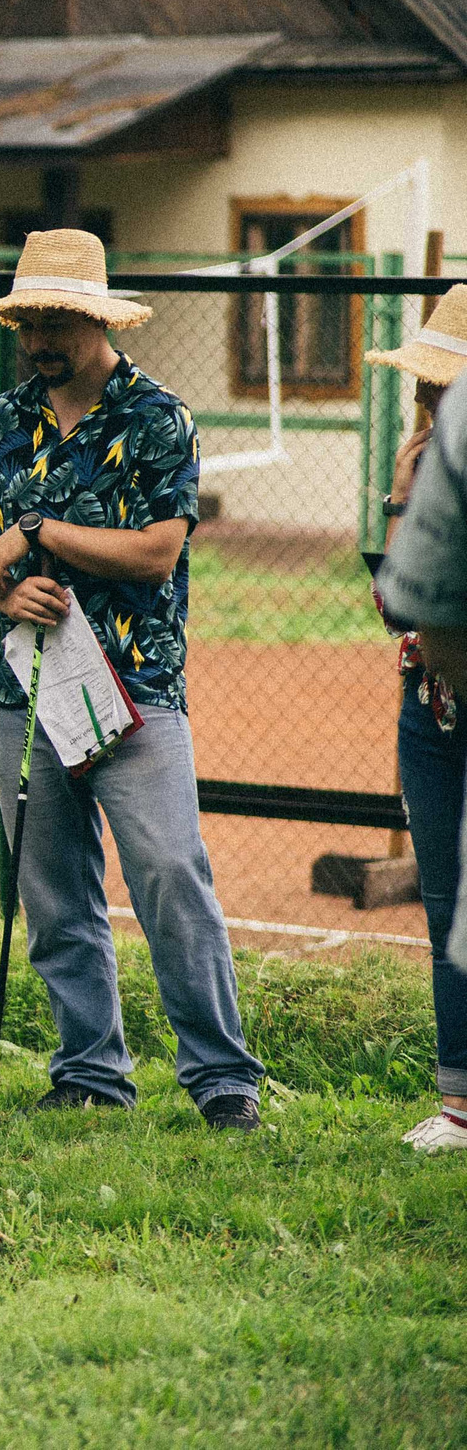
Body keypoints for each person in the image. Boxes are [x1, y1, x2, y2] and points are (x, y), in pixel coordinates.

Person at [0, 229, 264, 1130]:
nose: (37, 342)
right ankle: (89, 1067)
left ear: (94, 319)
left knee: (169, 870)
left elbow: (159, 550)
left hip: (138, 690)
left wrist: (44, 532)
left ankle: (221, 1077)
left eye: (54, 323)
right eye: (26, 325)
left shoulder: (158, 417)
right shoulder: (4, 419)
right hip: (24, 687)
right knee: (51, 890)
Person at [365, 284, 467, 1154]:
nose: (428, 405)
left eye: (445, 389)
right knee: (445, 910)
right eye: (426, 387)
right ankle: (460, 1107)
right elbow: (393, 607)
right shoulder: (424, 469)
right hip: (430, 716)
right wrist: (403, 501)